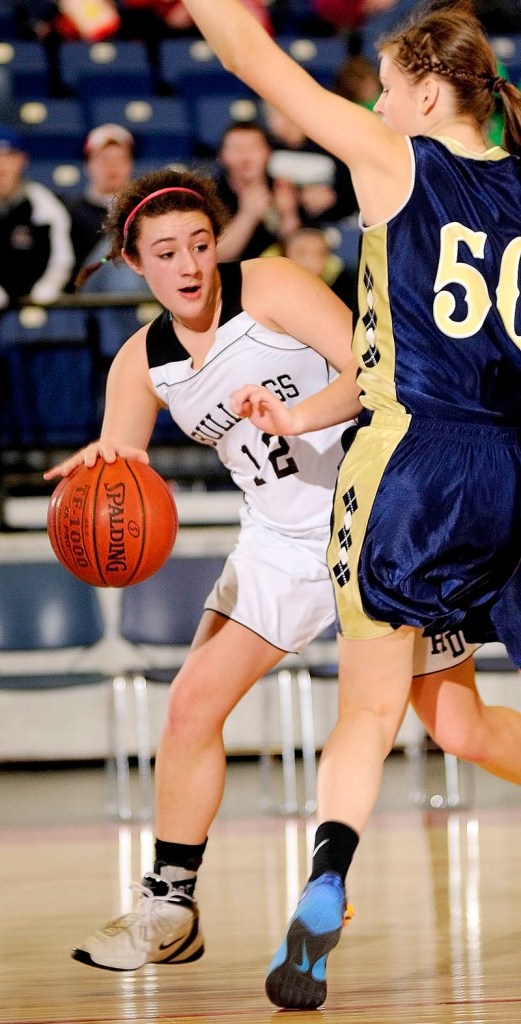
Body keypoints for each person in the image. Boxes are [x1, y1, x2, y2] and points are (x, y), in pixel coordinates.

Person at [43, 165, 480, 977]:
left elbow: (375, 368)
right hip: (278, 544)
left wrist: (300, 413)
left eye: (200, 244)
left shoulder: (271, 284)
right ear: (135, 263)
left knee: (460, 728)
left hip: (375, 519)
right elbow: (123, 466)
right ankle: (170, 906)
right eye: (166, 251)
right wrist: (96, 477)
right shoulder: (140, 365)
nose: (188, 265)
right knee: (190, 705)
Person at [179, 0, 521, 1010]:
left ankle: (325, 880)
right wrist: (295, 417)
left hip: (412, 468)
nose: (373, 100)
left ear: (423, 91)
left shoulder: (393, 157)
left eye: (382, 84)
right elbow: (386, 359)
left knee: (368, 711)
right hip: (507, 471)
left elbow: (245, 51)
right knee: (451, 716)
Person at [0, 125, 74, 309]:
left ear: (21, 160)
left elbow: (62, 259)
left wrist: (48, 287)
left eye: (8, 155)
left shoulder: (44, 205)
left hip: (38, 303)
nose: (1, 164)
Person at [60, 123, 137, 291]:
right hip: (88, 286)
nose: (112, 167)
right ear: (88, 165)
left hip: (140, 279)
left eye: (120, 159)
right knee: (118, 244)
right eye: (104, 159)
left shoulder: (143, 208)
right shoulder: (70, 211)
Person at [263, 225, 356, 306]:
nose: (310, 260)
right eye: (301, 252)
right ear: (284, 254)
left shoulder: (344, 295)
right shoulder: (264, 292)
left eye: (319, 254)